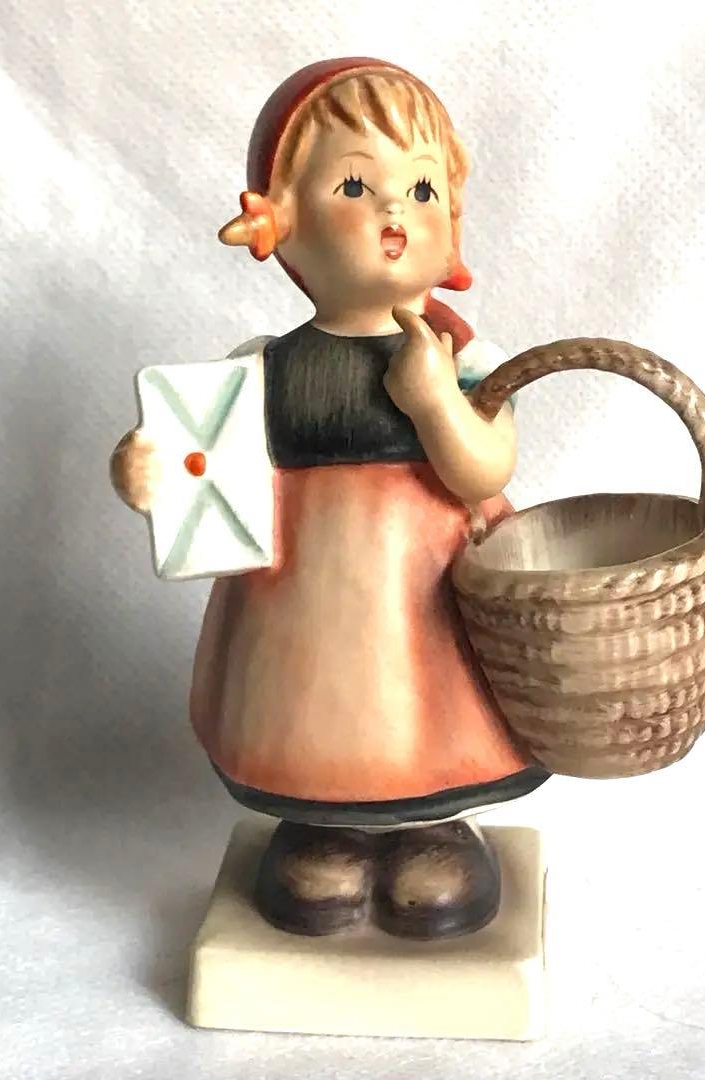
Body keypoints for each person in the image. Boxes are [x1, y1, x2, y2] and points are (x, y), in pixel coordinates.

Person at [111, 58, 548, 940]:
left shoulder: (460, 357)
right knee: (309, 726)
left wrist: (435, 404)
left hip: (433, 600)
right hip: (298, 606)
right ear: (277, 221)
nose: (395, 212)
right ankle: (325, 833)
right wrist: (143, 467)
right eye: (355, 185)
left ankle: (433, 832)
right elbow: (197, 455)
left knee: (439, 717)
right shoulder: (261, 367)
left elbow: (485, 468)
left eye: (421, 188)